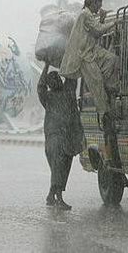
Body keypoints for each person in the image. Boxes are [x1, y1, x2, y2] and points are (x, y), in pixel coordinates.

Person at [59, 0, 119, 163]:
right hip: (86, 55)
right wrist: (112, 23)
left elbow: (95, 30)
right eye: (98, 4)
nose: (99, 7)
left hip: (93, 51)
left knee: (112, 59)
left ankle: (108, 87)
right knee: (96, 84)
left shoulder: (88, 15)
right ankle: (104, 113)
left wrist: (102, 19)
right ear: (91, 3)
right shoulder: (85, 15)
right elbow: (98, 31)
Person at [38, 63, 84, 210]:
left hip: (68, 138)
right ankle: (58, 198)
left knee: (62, 169)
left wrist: (68, 60)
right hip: (54, 139)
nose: (55, 81)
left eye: (57, 78)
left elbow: (72, 78)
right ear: (49, 84)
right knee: (58, 168)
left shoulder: (68, 93)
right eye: (52, 80)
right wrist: (45, 66)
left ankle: (51, 195)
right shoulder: (48, 98)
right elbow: (40, 87)